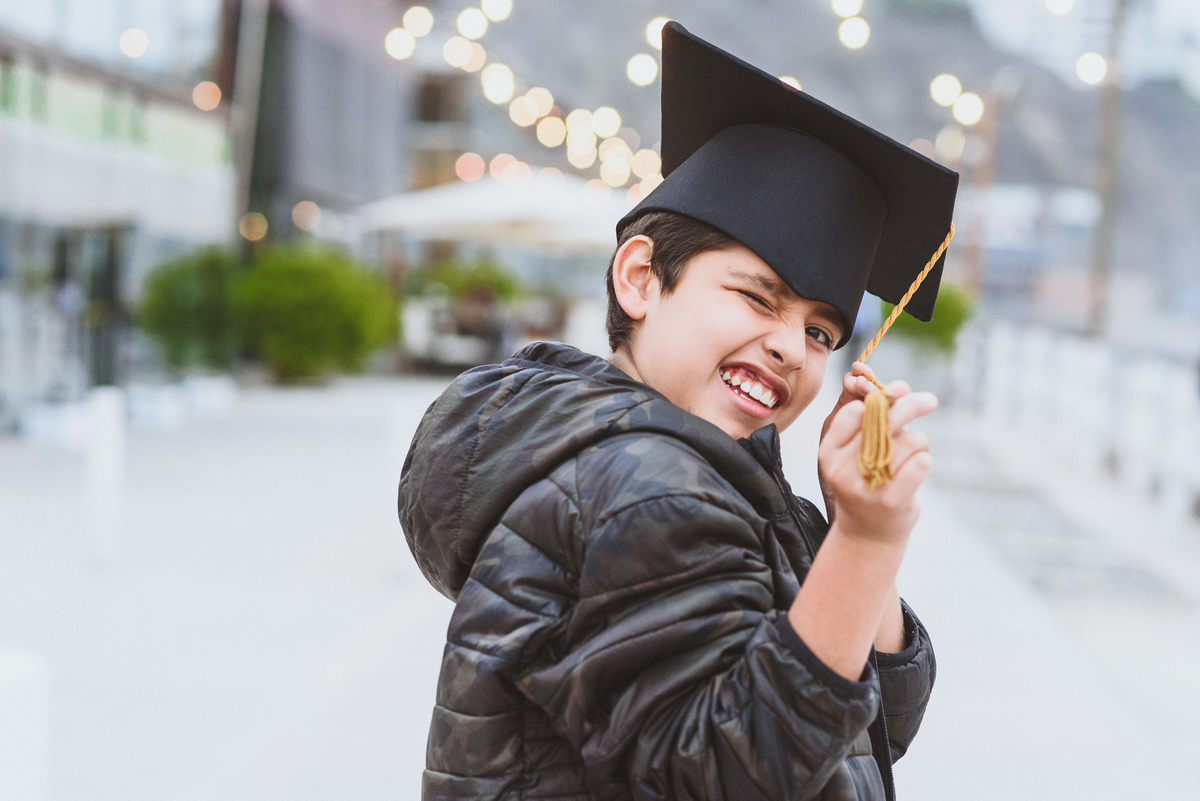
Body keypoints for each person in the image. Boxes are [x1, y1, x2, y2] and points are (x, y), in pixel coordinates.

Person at [399, 21, 958, 801]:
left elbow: (875, 727)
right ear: (640, 279)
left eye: (820, 330)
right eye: (756, 297)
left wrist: (847, 533)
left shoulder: (715, 481)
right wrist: (866, 538)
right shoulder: (640, 483)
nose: (790, 347)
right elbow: (737, 774)